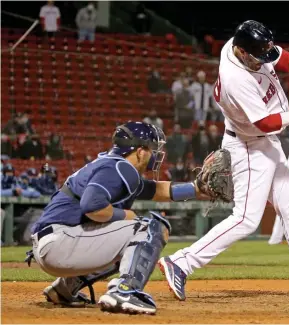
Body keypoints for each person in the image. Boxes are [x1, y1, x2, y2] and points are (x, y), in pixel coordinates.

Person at [158, 20, 289, 301]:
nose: (263, 60)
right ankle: (181, 263)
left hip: (266, 143)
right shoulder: (235, 78)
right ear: (242, 52)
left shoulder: (249, 48)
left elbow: (286, 58)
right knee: (245, 219)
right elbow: (265, 123)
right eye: (257, 56)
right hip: (249, 145)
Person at [28, 122, 211, 315]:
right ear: (140, 151)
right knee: (150, 227)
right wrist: (126, 215)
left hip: (56, 242)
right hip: (60, 242)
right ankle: (125, 291)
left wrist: (197, 188)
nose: (155, 155)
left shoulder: (115, 165)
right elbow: (91, 205)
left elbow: (157, 190)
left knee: (129, 249)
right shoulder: (118, 168)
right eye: (152, 149)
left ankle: (64, 289)